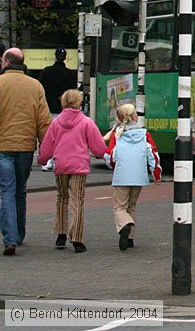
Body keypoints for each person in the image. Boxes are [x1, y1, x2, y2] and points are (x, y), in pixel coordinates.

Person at [37, 89, 106, 253]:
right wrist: (103, 153)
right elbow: (98, 148)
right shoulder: (86, 122)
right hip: (79, 166)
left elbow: (47, 146)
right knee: (78, 200)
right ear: (79, 102)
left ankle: (61, 233)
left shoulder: (56, 122)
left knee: (62, 198)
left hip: (61, 165)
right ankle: (77, 238)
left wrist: (42, 158)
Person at [0, 47, 52, 255]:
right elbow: (44, 121)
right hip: (25, 147)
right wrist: (45, 150)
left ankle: (10, 237)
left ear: (6, 62)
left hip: (2, 146)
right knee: (20, 190)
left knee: (7, 191)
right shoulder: (35, 86)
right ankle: (19, 234)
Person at [104, 103, 161, 250]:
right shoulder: (144, 134)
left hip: (122, 176)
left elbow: (110, 156)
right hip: (139, 177)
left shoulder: (117, 135)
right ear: (135, 116)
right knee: (132, 205)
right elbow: (153, 155)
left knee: (119, 207)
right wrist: (156, 174)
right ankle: (130, 239)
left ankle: (125, 225)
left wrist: (112, 166)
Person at [38, 48, 78, 171]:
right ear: (65, 57)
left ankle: (46, 161)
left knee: (47, 134)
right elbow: (72, 92)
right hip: (63, 109)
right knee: (61, 136)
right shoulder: (70, 74)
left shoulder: (46, 71)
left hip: (47, 107)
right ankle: (58, 160)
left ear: (55, 56)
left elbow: (41, 89)